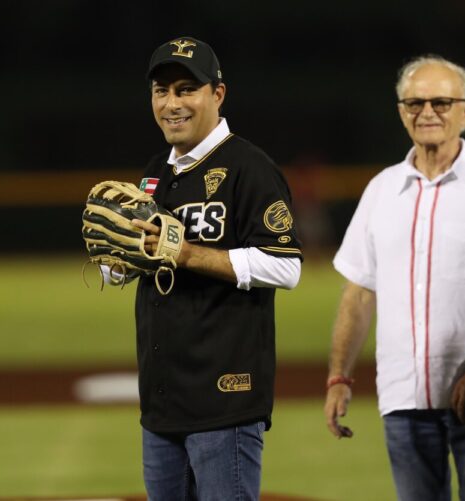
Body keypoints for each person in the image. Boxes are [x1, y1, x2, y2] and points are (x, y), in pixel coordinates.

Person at [324, 55, 465, 501]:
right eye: (414, 103)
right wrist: (339, 377)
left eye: (440, 101)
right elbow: (358, 294)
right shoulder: (381, 189)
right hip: (403, 399)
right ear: (401, 111)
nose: (426, 112)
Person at [129, 36, 302, 500]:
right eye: (161, 91)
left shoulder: (250, 168)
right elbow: (141, 260)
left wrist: (189, 255)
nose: (171, 103)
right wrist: (116, 261)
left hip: (224, 402)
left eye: (186, 89)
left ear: (217, 94)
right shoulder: (154, 174)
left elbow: (286, 267)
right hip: (162, 403)